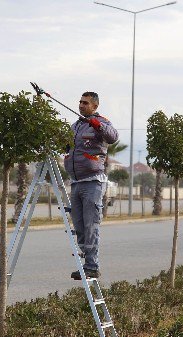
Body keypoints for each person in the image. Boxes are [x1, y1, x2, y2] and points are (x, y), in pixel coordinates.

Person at [64, 91, 119, 280]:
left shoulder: (101, 123)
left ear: (95, 106)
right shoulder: (76, 126)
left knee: (91, 226)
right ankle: (85, 263)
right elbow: (67, 145)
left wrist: (96, 125)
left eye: (85, 103)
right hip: (76, 182)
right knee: (79, 226)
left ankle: (92, 266)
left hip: (93, 182)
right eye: (80, 102)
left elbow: (113, 137)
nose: (81, 105)